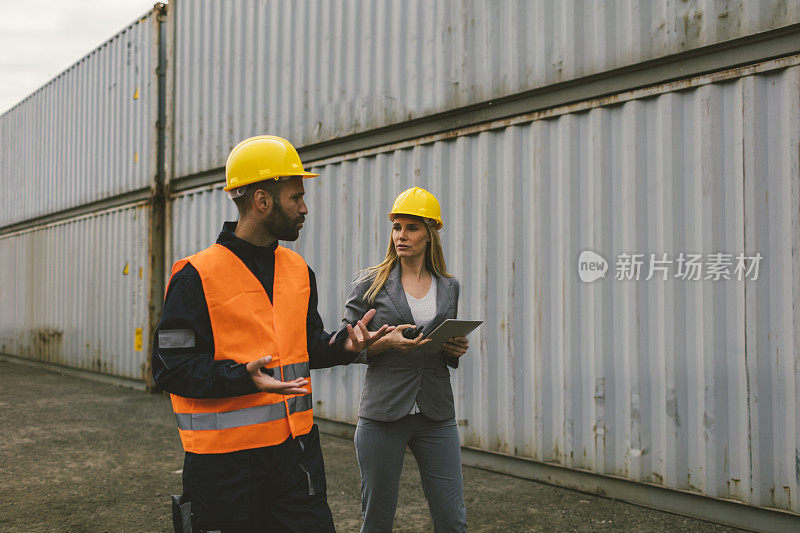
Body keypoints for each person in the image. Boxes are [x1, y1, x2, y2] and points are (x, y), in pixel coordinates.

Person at [152, 135, 390, 533]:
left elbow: (307, 345)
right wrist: (239, 377)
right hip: (224, 470)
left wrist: (344, 345)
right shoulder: (195, 276)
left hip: (294, 457)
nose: (304, 208)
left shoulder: (298, 270)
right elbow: (170, 369)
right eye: (296, 197)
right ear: (263, 202)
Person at [342, 187, 470, 532]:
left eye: (412, 228)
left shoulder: (449, 286)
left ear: (431, 233)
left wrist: (453, 349)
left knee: (453, 519)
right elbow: (345, 345)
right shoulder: (369, 284)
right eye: (397, 227)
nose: (402, 236)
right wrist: (385, 344)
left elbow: (442, 340)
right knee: (378, 519)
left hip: (435, 411)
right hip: (384, 412)